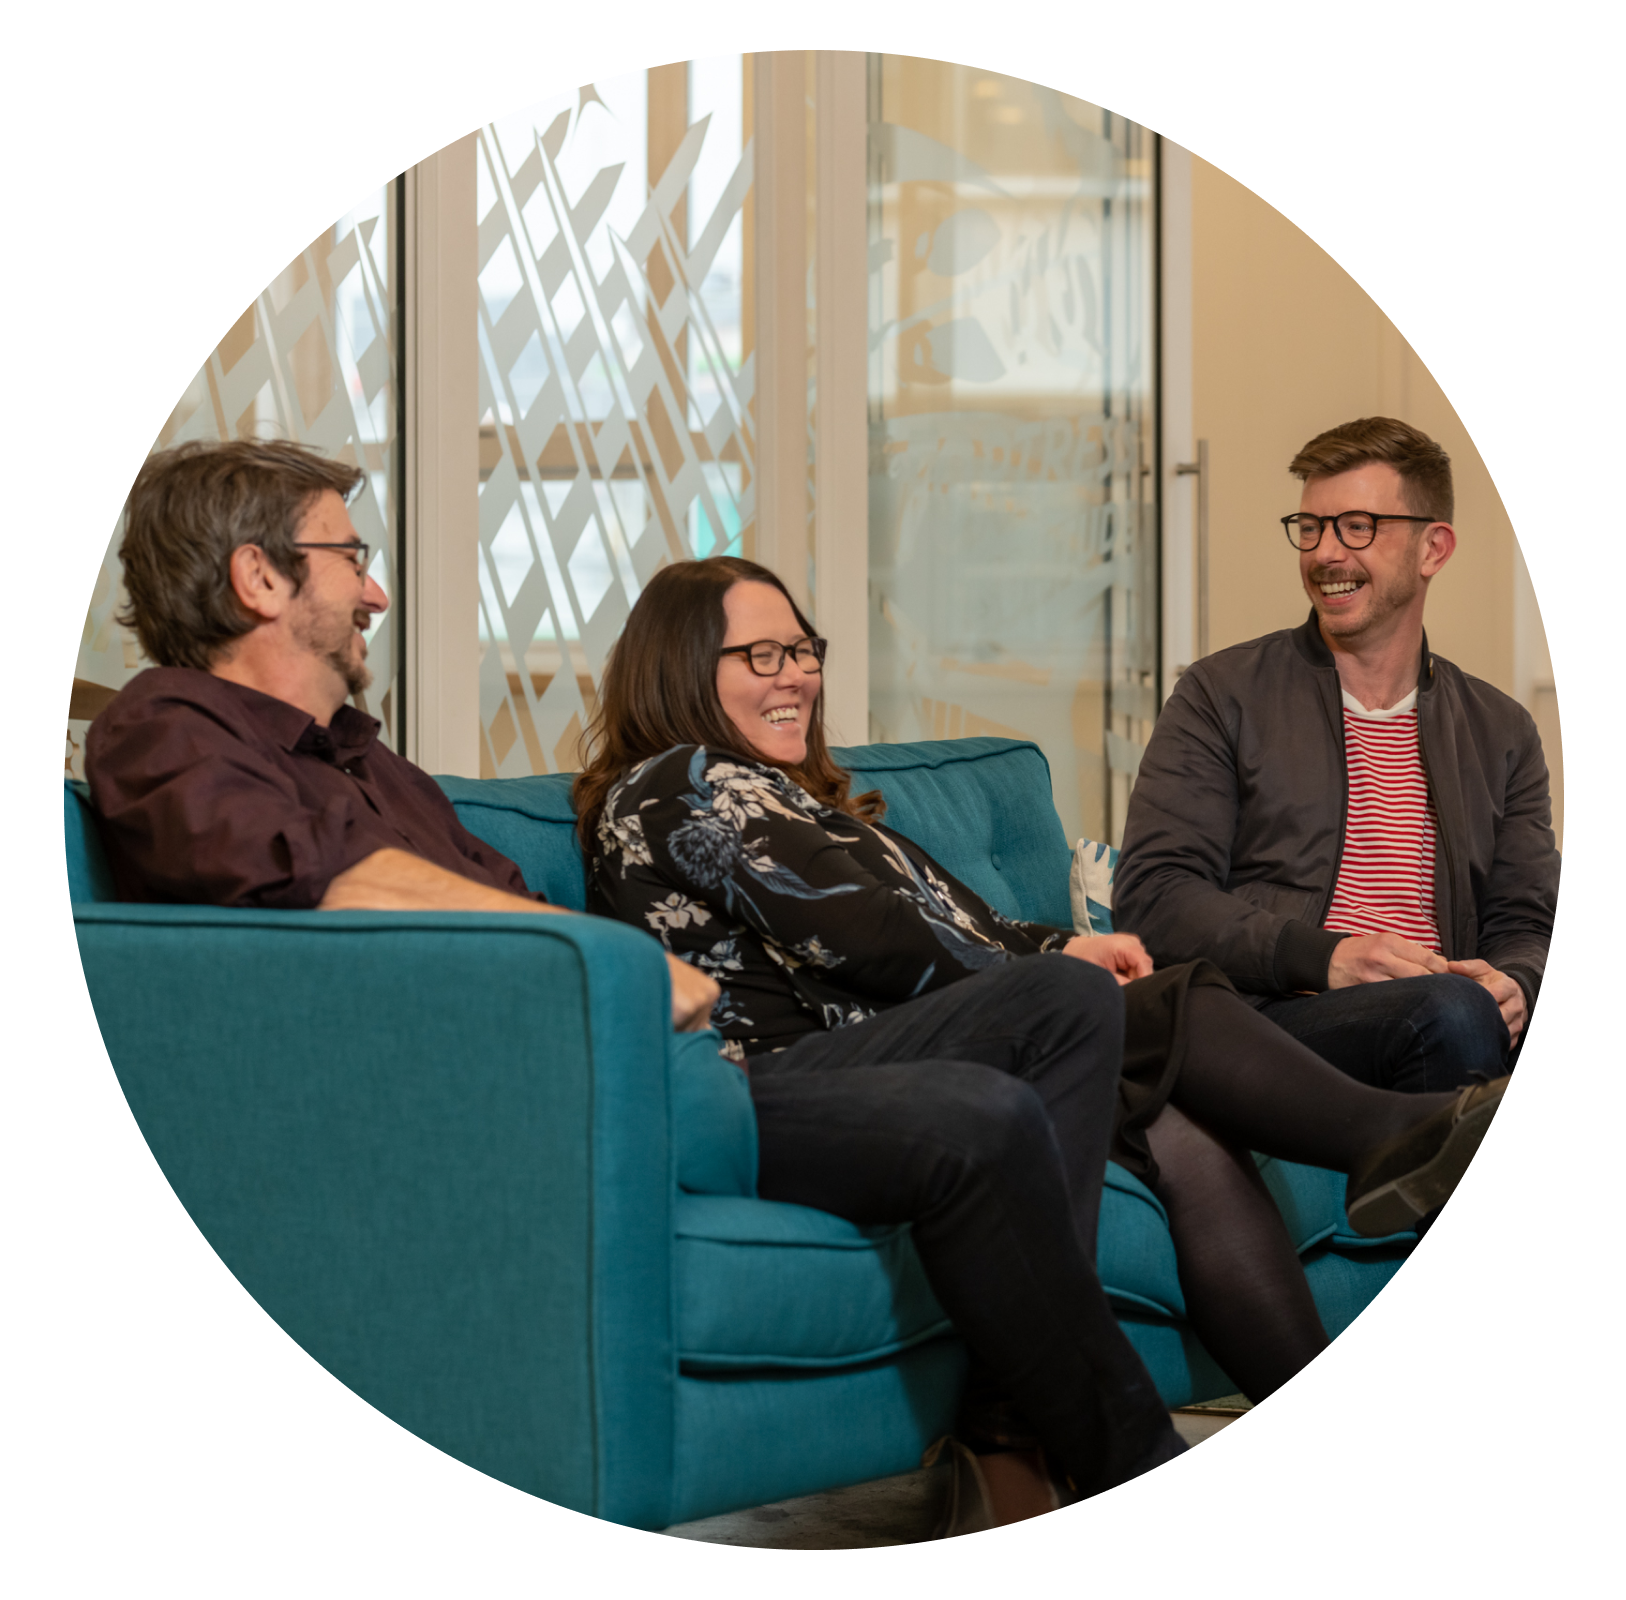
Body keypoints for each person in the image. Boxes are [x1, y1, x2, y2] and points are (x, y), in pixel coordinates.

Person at [572, 553, 1510, 1526]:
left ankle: (1381, 1143)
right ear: (681, 666)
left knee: (1182, 1127)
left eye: (803, 649)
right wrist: (1055, 976)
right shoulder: (676, 785)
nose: (795, 674)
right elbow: (866, 937)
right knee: (1084, 1008)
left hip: (915, 1041)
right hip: (782, 1077)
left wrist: (1067, 942)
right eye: (759, 654)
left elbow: (964, 920)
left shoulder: (807, 799)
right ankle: (1383, 1133)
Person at [84, 438, 720, 1035]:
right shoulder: (163, 727)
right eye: (351, 559)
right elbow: (313, 879)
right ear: (261, 577)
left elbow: (504, 893)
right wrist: (616, 964)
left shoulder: (372, 763)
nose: (377, 595)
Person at [1114, 417, 1559, 1104]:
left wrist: (1518, 985)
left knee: (1462, 1010)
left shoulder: (1501, 730)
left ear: (1432, 548)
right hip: (1278, 1017)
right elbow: (1156, 897)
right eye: (1312, 527)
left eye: (1357, 526)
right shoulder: (1221, 694)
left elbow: (1527, 920)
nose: (1325, 553)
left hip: (1448, 1015)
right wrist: (1329, 958)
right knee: (1448, 1012)